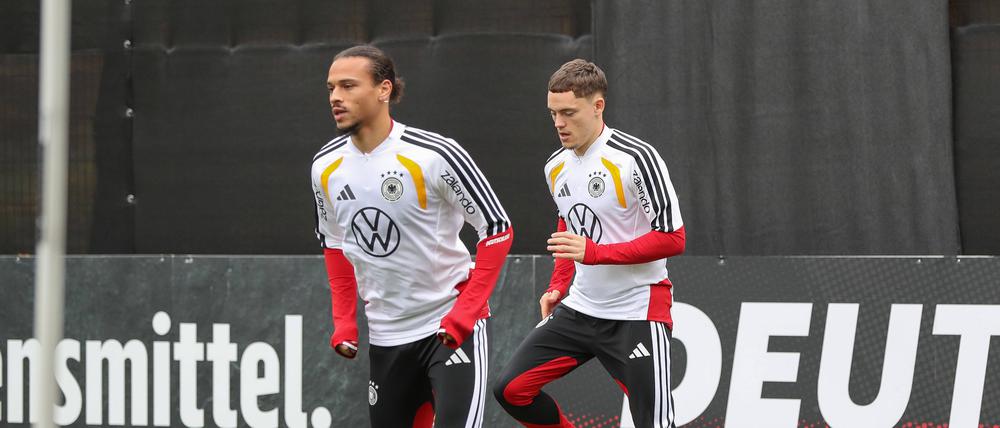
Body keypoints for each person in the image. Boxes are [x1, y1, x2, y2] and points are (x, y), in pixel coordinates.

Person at [311, 44, 513, 427]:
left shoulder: (434, 155)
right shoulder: (325, 166)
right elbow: (334, 244)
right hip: (386, 337)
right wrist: (344, 321)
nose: (336, 97)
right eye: (331, 88)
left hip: (450, 327)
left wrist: (465, 313)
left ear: (384, 89)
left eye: (349, 86)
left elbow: (498, 229)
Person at [493, 59, 685, 428]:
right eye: (552, 113)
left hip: (636, 313)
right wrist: (557, 285)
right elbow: (570, 225)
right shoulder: (555, 166)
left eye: (568, 112)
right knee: (511, 390)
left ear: (598, 106)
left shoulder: (635, 158)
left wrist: (596, 254)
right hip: (580, 310)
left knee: (655, 422)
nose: (558, 123)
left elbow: (673, 238)